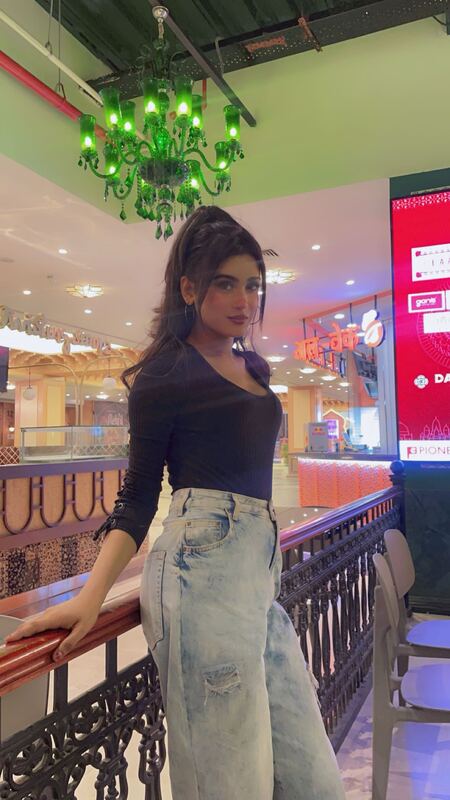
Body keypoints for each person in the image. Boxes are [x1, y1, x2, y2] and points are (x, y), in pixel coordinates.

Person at [6, 207, 345, 799]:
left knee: (313, 781)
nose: (244, 301)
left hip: (257, 585)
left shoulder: (253, 366)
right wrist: (90, 598)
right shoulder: (165, 375)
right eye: (225, 284)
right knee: (230, 788)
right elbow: (137, 497)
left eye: (252, 285)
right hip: (199, 580)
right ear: (189, 289)